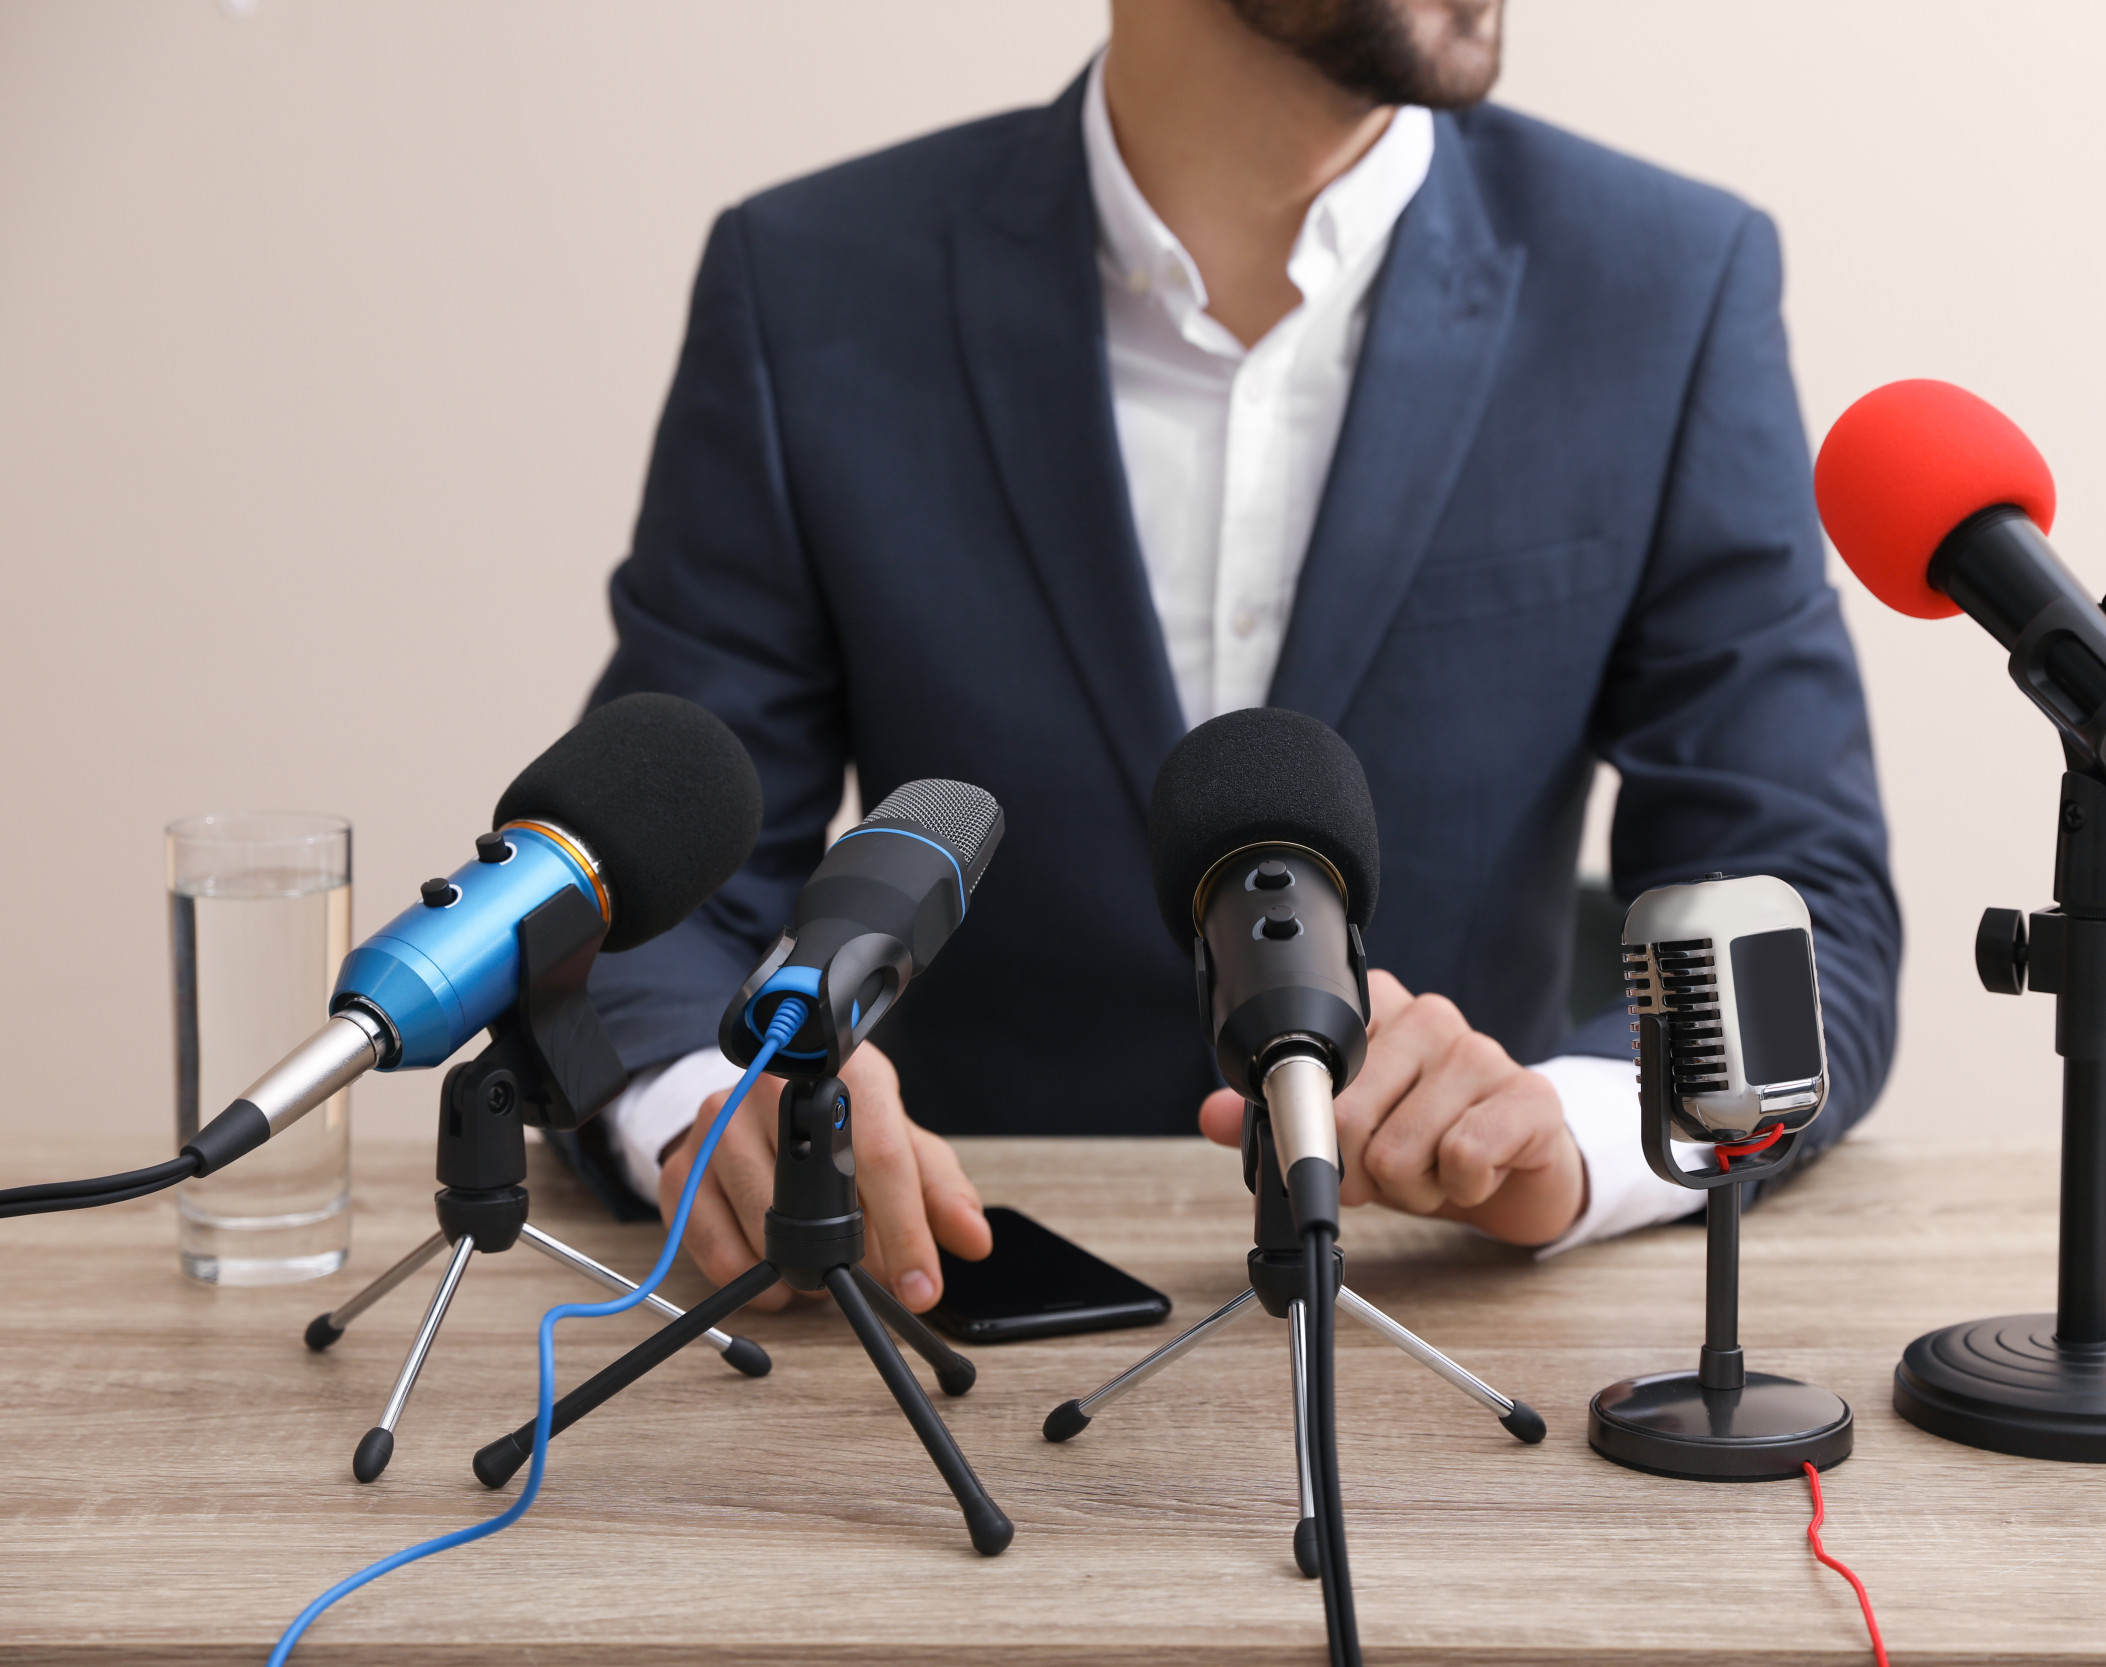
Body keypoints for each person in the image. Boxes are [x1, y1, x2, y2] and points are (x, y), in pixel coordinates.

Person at [573, 0, 1900, 1314]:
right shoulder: (809, 285)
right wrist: (708, 1101)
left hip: (1448, 1324)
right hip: (950, 1305)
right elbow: (647, 879)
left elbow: (1801, 908)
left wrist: (1564, 1132)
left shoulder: (1665, 284)